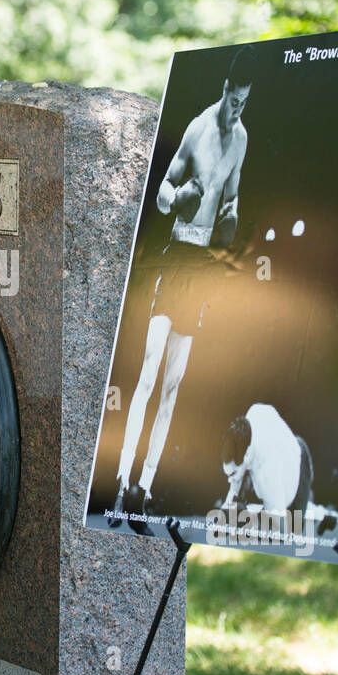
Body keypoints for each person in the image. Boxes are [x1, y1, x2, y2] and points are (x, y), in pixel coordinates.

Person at [109, 48, 253, 529]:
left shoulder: (242, 139)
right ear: (226, 91)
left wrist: (230, 217)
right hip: (175, 258)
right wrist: (182, 197)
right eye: (235, 101)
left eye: (245, 105)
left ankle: (146, 487)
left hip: (203, 266)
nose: (237, 111)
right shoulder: (197, 128)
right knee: (148, 376)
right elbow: (163, 193)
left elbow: (231, 199)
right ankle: (122, 480)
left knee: (173, 386)